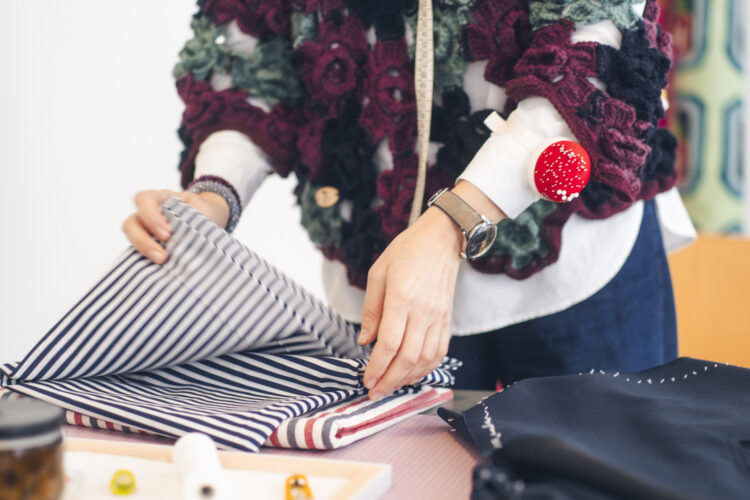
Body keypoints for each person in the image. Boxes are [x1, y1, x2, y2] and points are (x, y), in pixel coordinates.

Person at [122, 0, 695, 397]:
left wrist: (453, 222)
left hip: (578, 269)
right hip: (378, 282)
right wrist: (212, 196)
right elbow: (252, 66)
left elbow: (593, 56)